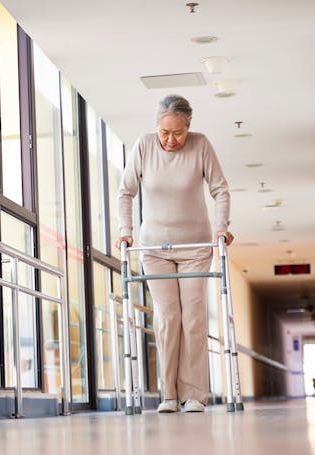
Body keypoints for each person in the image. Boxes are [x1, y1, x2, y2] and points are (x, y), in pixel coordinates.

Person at [116, 94, 233, 413]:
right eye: (164, 132)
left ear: (188, 126)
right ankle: (169, 394)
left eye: (177, 133)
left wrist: (221, 227)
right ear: (157, 128)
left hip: (195, 247)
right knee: (168, 318)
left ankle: (194, 394)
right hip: (154, 248)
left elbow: (220, 189)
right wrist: (125, 231)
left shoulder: (201, 145)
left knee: (193, 318)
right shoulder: (144, 145)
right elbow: (125, 192)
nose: (170, 140)